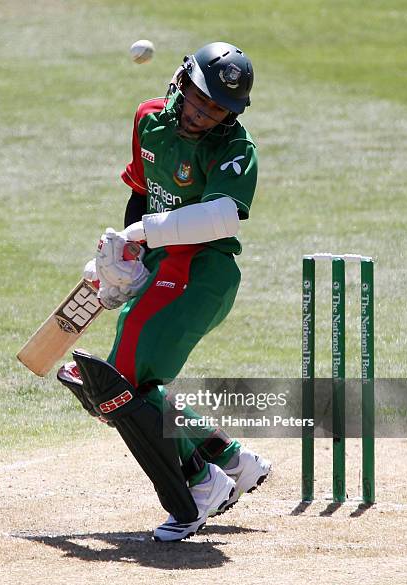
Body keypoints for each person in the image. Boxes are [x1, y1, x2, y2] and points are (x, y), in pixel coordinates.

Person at [58, 42, 271, 542]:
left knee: (119, 384)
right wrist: (128, 254)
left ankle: (201, 484)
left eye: (217, 107)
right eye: (200, 97)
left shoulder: (237, 148)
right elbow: (141, 192)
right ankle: (227, 458)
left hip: (202, 273)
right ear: (183, 80)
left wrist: (141, 236)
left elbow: (220, 216)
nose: (202, 113)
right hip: (161, 267)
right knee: (126, 387)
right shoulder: (148, 118)